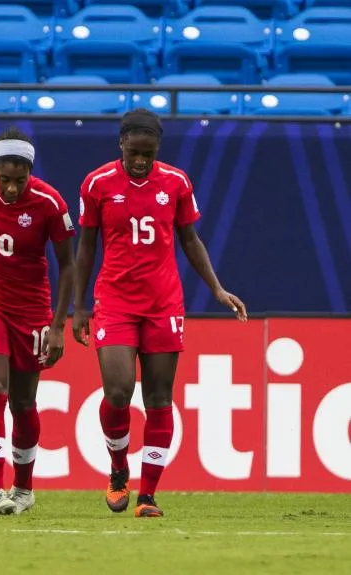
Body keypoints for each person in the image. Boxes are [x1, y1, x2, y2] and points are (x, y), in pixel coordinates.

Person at [73, 109, 247, 518]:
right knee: (118, 392)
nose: (140, 161)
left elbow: (190, 239)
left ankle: (148, 496)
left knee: (158, 398)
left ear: (157, 149)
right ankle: (119, 469)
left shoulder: (176, 182)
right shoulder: (97, 183)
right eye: (133, 152)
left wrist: (217, 288)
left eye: (147, 154)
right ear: (121, 144)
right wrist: (78, 307)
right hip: (115, 301)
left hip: (163, 303)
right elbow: (86, 246)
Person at [0, 128, 76, 515]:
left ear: (30, 172)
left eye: (19, 180)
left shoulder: (49, 202)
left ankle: (24, 488)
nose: (11, 188)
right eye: (4, 179)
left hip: (30, 310)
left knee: (23, 401)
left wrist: (58, 326)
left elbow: (68, 265)